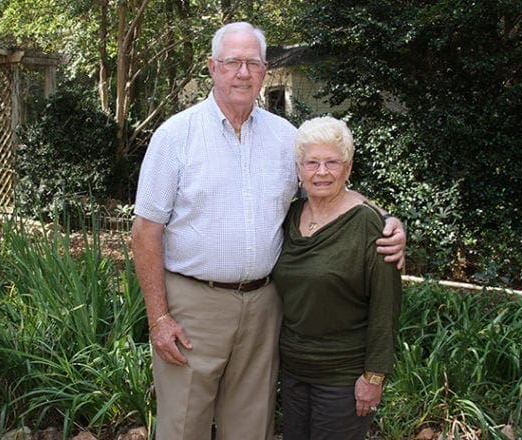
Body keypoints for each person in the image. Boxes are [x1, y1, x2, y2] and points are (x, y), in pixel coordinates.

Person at [130, 22, 406, 440]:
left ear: (264, 70)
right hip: (192, 306)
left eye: (252, 63)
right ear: (212, 67)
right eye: (232, 62)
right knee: (183, 427)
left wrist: (387, 220)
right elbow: (145, 231)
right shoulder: (175, 136)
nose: (243, 72)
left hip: (264, 307)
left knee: (250, 428)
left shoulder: (285, 139)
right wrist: (159, 318)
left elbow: (327, 186)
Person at [273, 116, 402, 440]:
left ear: (348, 168)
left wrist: (374, 377)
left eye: (332, 162)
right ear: (299, 169)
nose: (321, 172)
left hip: (343, 376)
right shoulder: (289, 216)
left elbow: (386, 307)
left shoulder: (369, 226)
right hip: (293, 372)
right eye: (312, 162)